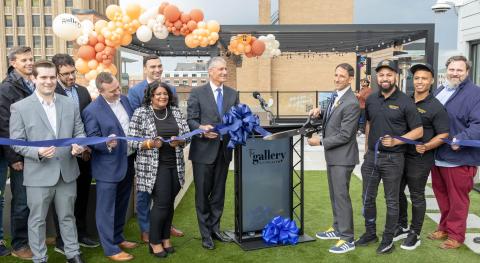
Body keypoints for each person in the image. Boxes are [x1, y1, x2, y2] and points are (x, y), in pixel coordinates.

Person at [9, 60, 86, 263]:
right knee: (36, 220)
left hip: (67, 171)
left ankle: (72, 253)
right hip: (38, 173)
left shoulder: (69, 103)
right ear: (34, 79)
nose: (48, 81)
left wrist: (79, 146)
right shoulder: (19, 108)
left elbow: (79, 133)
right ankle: (40, 258)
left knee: (68, 216)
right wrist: (37, 152)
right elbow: (16, 143)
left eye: (52, 77)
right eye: (43, 77)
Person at [356, 60, 423, 254]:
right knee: (367, 197)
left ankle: (387, 240)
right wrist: (367, 149)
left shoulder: (405, 102)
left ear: (396, 77)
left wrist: (397, 140)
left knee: (391, 200)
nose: (385, 78)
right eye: (382, 75)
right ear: (377, 78)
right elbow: (369, 123)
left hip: (394, 159)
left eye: (389, 74)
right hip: (372, 158)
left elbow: (418, 131)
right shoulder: (371, 99)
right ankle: (370, 233)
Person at [128, 81, 190, 258]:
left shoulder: (176, 112)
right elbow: (131, 141)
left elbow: (186, 136)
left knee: (169, 203)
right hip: (154, 167)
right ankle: (154, 242)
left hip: (175, 164)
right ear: (151, 96)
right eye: (158, 94)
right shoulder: (141, 113)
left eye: (165, 94)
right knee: (161, 204)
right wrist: (149, 143)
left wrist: (181, 141)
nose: (163, 97)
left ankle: (165, 238)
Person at [127, 54, 182, 243]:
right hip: (147, 154)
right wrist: (150, 142)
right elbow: (135, 123)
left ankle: (165, 225)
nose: (157, 69)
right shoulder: (135, 91)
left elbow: (175, 117)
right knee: (144, 192)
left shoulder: (171, 88)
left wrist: (178, 139)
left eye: (159, 66)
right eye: (153, 67)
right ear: (145, 68)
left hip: (170, 155)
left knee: (166, 194)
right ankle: (146, 228)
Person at [82, 72, 138, 261]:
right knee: (106, 209)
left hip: (128, 161)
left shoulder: (124, 100)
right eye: (113, 91)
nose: (118, 92)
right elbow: (91, 138)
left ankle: (118, 237)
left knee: (122, 204)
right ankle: (111, 249)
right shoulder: (91, 110)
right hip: (107, 166)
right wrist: (105, 144)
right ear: (100, 91)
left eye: (118, 88)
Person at [394, 63, 449, 250]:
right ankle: (401, 226)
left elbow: (443, 135)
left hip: (420, 159)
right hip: (400, 154)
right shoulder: (405, 100)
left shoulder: (436, 107)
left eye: (424, 78)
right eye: (416, 78)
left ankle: (414, 233)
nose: (419, 81)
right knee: (397, 191)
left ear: (431, 81)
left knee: (416, 195)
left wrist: (426, 146)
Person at [187, 57, 239, 250]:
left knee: (218, 193)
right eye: (221, 69)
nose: (225, 72)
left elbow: (237, 120)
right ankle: (205, 234)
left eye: (226, 69)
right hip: (203, 152)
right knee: (202, 194)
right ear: (210, 72)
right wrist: (201, 128)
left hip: (224, 152)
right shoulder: (197, 92)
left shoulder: (233, 94)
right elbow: (190, 120)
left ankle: (215, 229)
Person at [308, 63, 360, 254]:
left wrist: (320, 142)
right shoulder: (336, 96)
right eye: (336, 75)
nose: (337, 79)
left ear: (350, 79)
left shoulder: (352, 102)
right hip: (333, 157)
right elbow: (332, 116)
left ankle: (347, 238)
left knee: (341, 197)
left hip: (343, 157)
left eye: (341, 76)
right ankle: (337, 228)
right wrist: (319, 112)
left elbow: (345, 135)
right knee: (335, 195)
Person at [429, 55, 480, 249]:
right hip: (437, 155)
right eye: (452, 69)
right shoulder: (441, 90)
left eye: (460, 70)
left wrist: (462, 139)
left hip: (459, 157)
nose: (455, 73)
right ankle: (444, 227)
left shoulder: (476, 94)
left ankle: (456, 236)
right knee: (441, 195)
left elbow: (478, 124)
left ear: (467, 72)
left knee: (458, 199)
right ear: (446, 70)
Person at [51, 54, 99, 254]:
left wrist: (87, 147)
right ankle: (62, 240)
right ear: (56, 74)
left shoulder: (82, 91)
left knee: (82, 196)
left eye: (73, 72)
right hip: (61, 155)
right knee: (62, 199)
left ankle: (81, 234)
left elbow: (87, 121)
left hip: (83, 154)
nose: (71, 77)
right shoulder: (51, 92)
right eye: (66, 74)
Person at [0, 46, 34, 259]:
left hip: (31, 151)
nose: (29, 63)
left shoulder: (32, 83)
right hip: (16, 155)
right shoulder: (7, 88)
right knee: (21, 201)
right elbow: (4, 125)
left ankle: (28, 238)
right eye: (24, 60)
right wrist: (14, 158)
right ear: (13, 63)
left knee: (29, 199)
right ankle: (19, 245)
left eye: (31, 59)